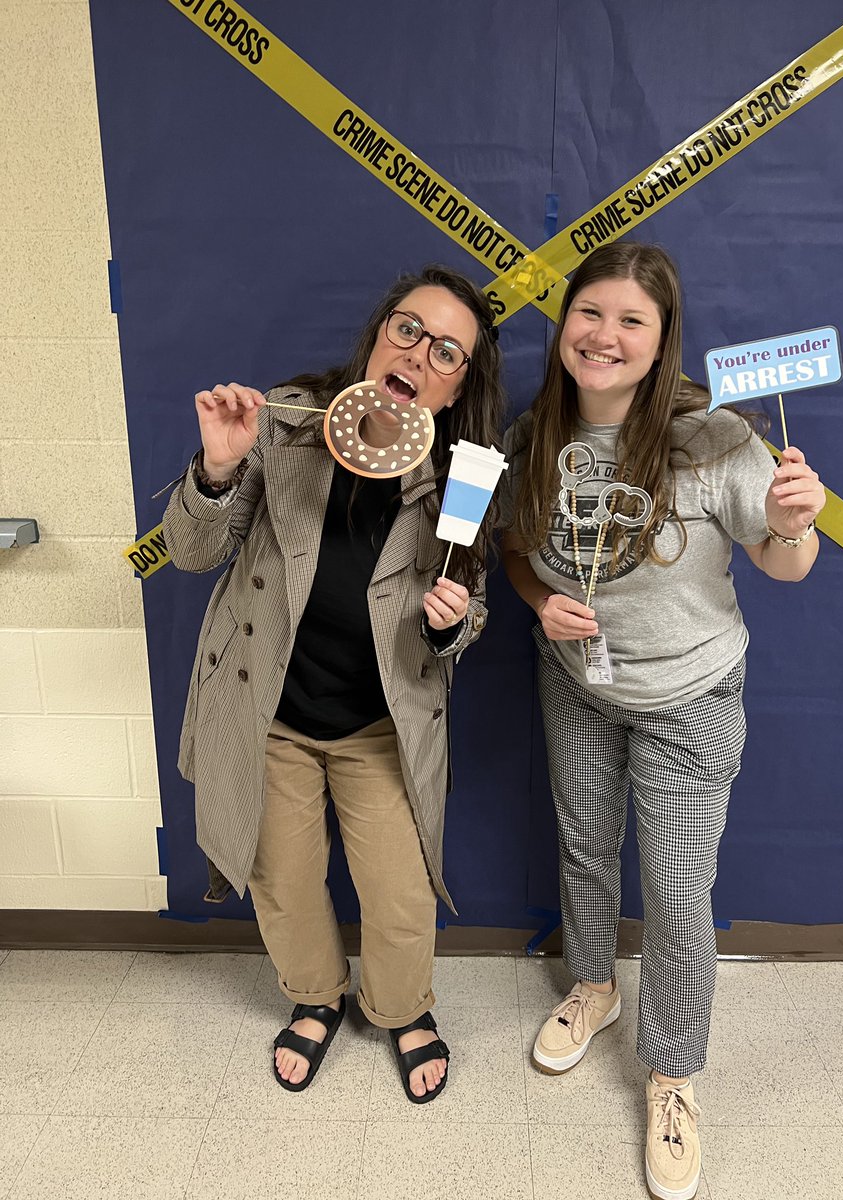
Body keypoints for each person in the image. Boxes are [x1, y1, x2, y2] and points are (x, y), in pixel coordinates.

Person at [501, 242, 825, 1200]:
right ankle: (593, 986)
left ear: (661, 337)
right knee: (586, 848)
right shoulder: (534, 436)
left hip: (691, 694)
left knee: (680, 895)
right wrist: (536, 603)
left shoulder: (716, 436)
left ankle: (675, 1074)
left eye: (630, 320)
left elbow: (783, 566)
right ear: (565, 326)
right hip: (576, 681)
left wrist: (795, 520)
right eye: (590, 314)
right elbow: (521, 554)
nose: (605, 336)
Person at [163, 265, 505, 1103]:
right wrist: (215, 469)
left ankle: (403, 1008)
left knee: (399, 894)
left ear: (458, 387)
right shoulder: (284, 424)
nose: (420, 352)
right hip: (265, 712)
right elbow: (191, 551)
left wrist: (450, 619)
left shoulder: (457, 481)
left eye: (448, 350)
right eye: (408, 329)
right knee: (281, 877)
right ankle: (315, 997)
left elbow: (473, 614)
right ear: (380, 336)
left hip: (378, 727)